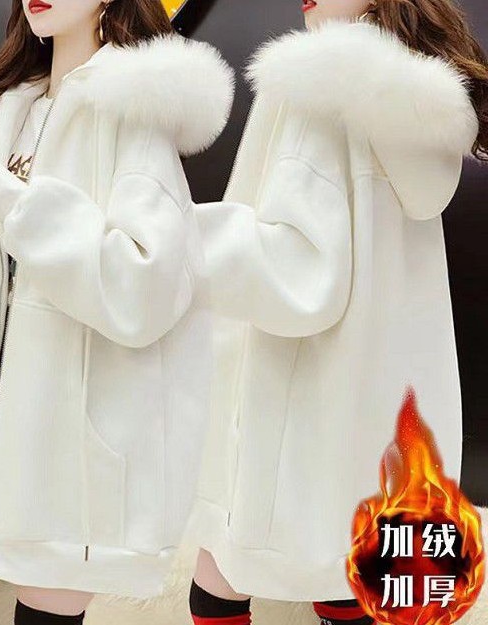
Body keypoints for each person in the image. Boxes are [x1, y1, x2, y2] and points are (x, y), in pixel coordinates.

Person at [0, 1, 234, 623]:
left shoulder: (132, 111)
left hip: (66, 420)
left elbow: (145, 285)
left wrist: (14, 203)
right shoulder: (12, 108)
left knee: (43, 613)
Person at [186, 1, 487, 625]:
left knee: (220, 572)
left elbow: (297, 269)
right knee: (351, 566)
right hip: (381, 406)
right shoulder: (420, 96)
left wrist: (176, 233)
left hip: (290, 386)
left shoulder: (318, 83)